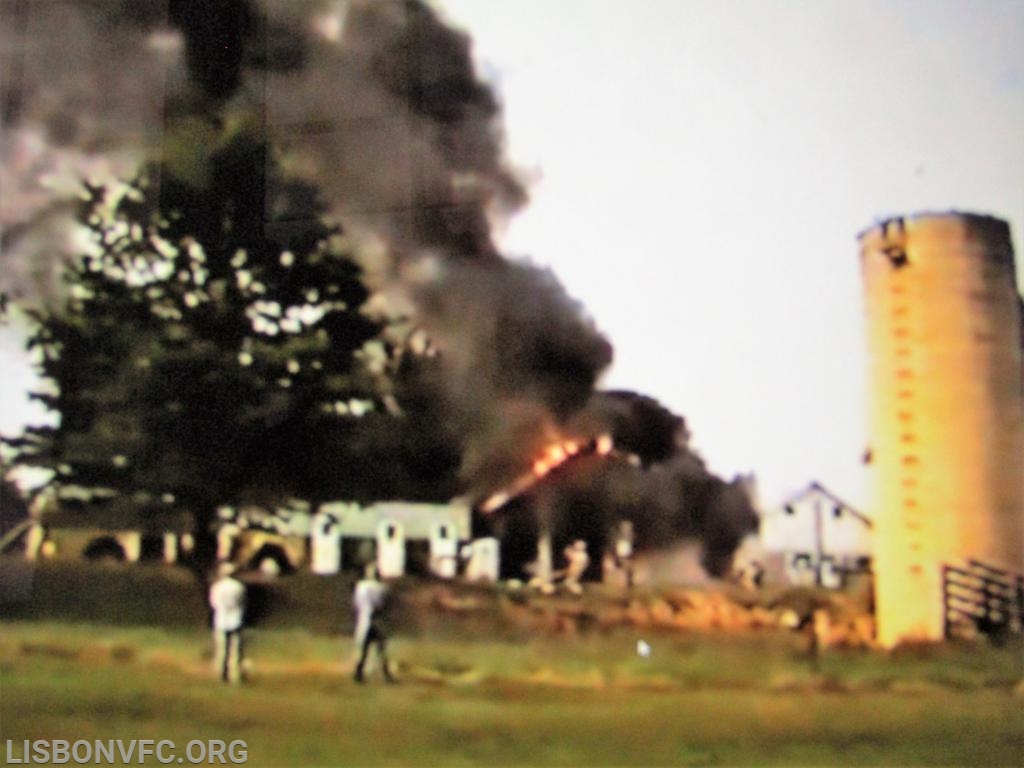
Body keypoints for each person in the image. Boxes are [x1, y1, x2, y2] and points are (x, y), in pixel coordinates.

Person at [352, 563, 395, 684]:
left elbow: (357, 603)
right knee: (381, 649)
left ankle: (359, 672)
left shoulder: (360, 586)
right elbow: (384, 604)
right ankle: (386, 673)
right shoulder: (382, 587)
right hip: (377, 620)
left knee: (363, 649)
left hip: (364, 619)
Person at [208, 562, 246, 684]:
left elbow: (213, 604)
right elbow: (241, 602)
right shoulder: (239, 587)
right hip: (235, 620)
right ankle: (235, 674)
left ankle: (221, 673)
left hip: (220, 620)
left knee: (221, 649)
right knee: (235, 649)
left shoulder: (216, 587)